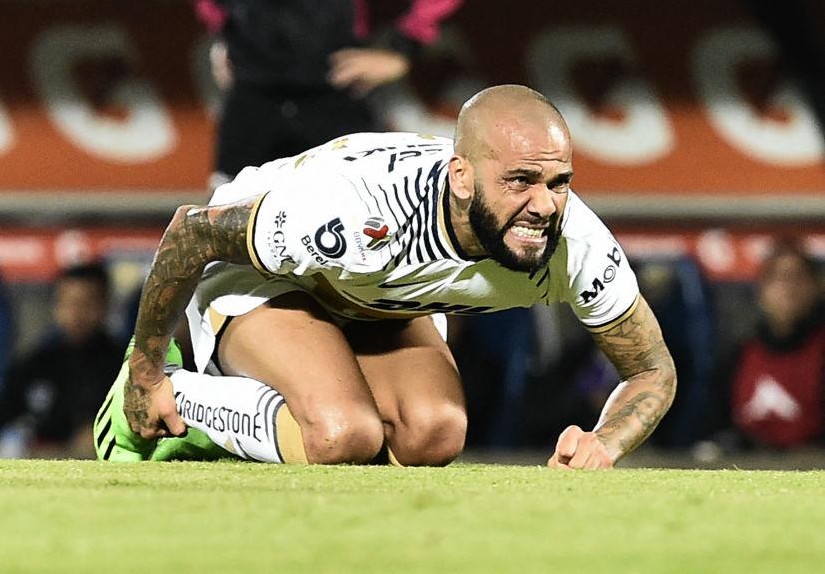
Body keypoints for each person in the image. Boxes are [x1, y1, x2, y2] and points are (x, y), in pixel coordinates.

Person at [93, 84, 677, 469]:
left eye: (559, 182)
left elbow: (652, 370)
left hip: (378, 297)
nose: (544, 206)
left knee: (434, 432)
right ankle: (175, 399)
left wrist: (605, 443)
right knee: (341, 434)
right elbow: (191, 232)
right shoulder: (357, 212)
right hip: (272, 278)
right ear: (462, 178)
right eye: (520, 182)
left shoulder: (574, 243)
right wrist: (147, 370)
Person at [186, 0, 468, 189]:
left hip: (335, 101)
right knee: (225, 235)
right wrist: (224, 32)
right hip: (251, 107)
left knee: (361, 230)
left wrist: (403, 48)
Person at [0, 262, 124, 459]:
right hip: (36, 464)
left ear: (105, 305)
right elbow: (3, 427)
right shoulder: (33, 365)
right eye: (68, 303)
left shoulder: (124, 366)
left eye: (86, 303)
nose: (76, 313)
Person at [714, 240, 825, 450]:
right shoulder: (739, 355)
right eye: (778, 278)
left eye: (798, 278)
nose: (788, 289)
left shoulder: (820, 352)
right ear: (762, 291)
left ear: (816, 288)